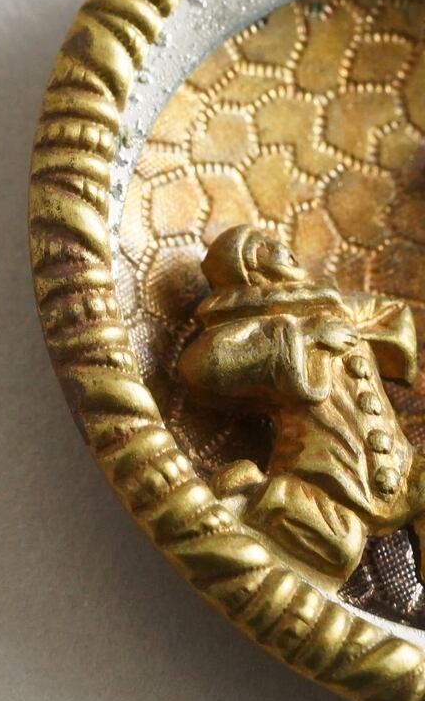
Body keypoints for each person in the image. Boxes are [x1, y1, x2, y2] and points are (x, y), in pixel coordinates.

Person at [177, 225, 422, 583]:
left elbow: (393, 316)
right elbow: (202, 364)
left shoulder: (334, 303)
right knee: (343, 547)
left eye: (274, 242)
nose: (281, 249)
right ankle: (257, 493)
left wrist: (356, 326)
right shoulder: (251, 320)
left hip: (399, 465)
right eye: (263, 249)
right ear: (248, 270)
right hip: (329, 479)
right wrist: (307, 336)